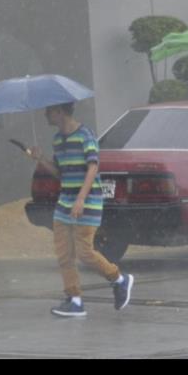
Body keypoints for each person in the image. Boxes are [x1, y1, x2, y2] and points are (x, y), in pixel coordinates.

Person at [26, 102, 134, 317]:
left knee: (85, 252)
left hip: (88, 202)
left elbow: (93, 167)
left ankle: (119, 279)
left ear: (60, 112)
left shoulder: (85, 135)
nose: (45, 114)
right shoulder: (58, 140)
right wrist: (41, 159)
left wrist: (81, 199)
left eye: (49, 111)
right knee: (64, 254)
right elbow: (60, 173)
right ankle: (74, 300)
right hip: (64, 203)